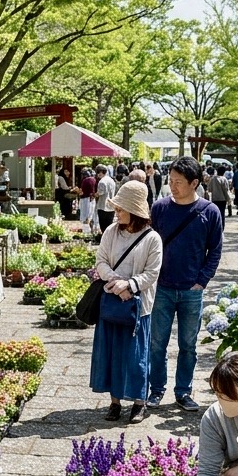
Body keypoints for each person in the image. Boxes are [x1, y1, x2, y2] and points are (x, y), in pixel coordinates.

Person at [148, 156, 223, 412]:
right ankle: (155, 389)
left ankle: (183, 392)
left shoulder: (209, 212)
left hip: (192, 289)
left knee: (188, 345)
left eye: (179, 182)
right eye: (170, 181)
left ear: (194, 183)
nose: (173, 186)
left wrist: (202, 281)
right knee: (156, 343)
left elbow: (215, 250)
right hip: (162, 288)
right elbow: (148, 244)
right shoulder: (159, 208)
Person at [90, 181, 162, 425]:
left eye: (120, 208)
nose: (116, 212)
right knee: (110, 353)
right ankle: (115, 401)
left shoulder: (152, 239)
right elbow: (101, 262)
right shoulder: (111, 232)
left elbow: (152, 273)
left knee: (136, 356)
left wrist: (129, 286)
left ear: (134, 210)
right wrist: (115, 283)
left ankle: (139, 403)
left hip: (139, 306)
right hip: (111, 302)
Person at [95, 165, 116, 232]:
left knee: (103, 227)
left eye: (98, 172)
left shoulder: (102, 182)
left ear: (101, 172)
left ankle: (104, 241)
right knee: (109, 226)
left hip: (103, 206)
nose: (97, 175)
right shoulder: (112, 180)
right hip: (111, 206)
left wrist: (95, 194)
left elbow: (100, 193)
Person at [79, 168, 98, 235]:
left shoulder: (85, 181)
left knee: (85, 216)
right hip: (92, 199)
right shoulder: (94, 180)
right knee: (92, 215)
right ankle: (93, 230)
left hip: (85, 199)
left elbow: (81, 192)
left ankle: (86, 232)